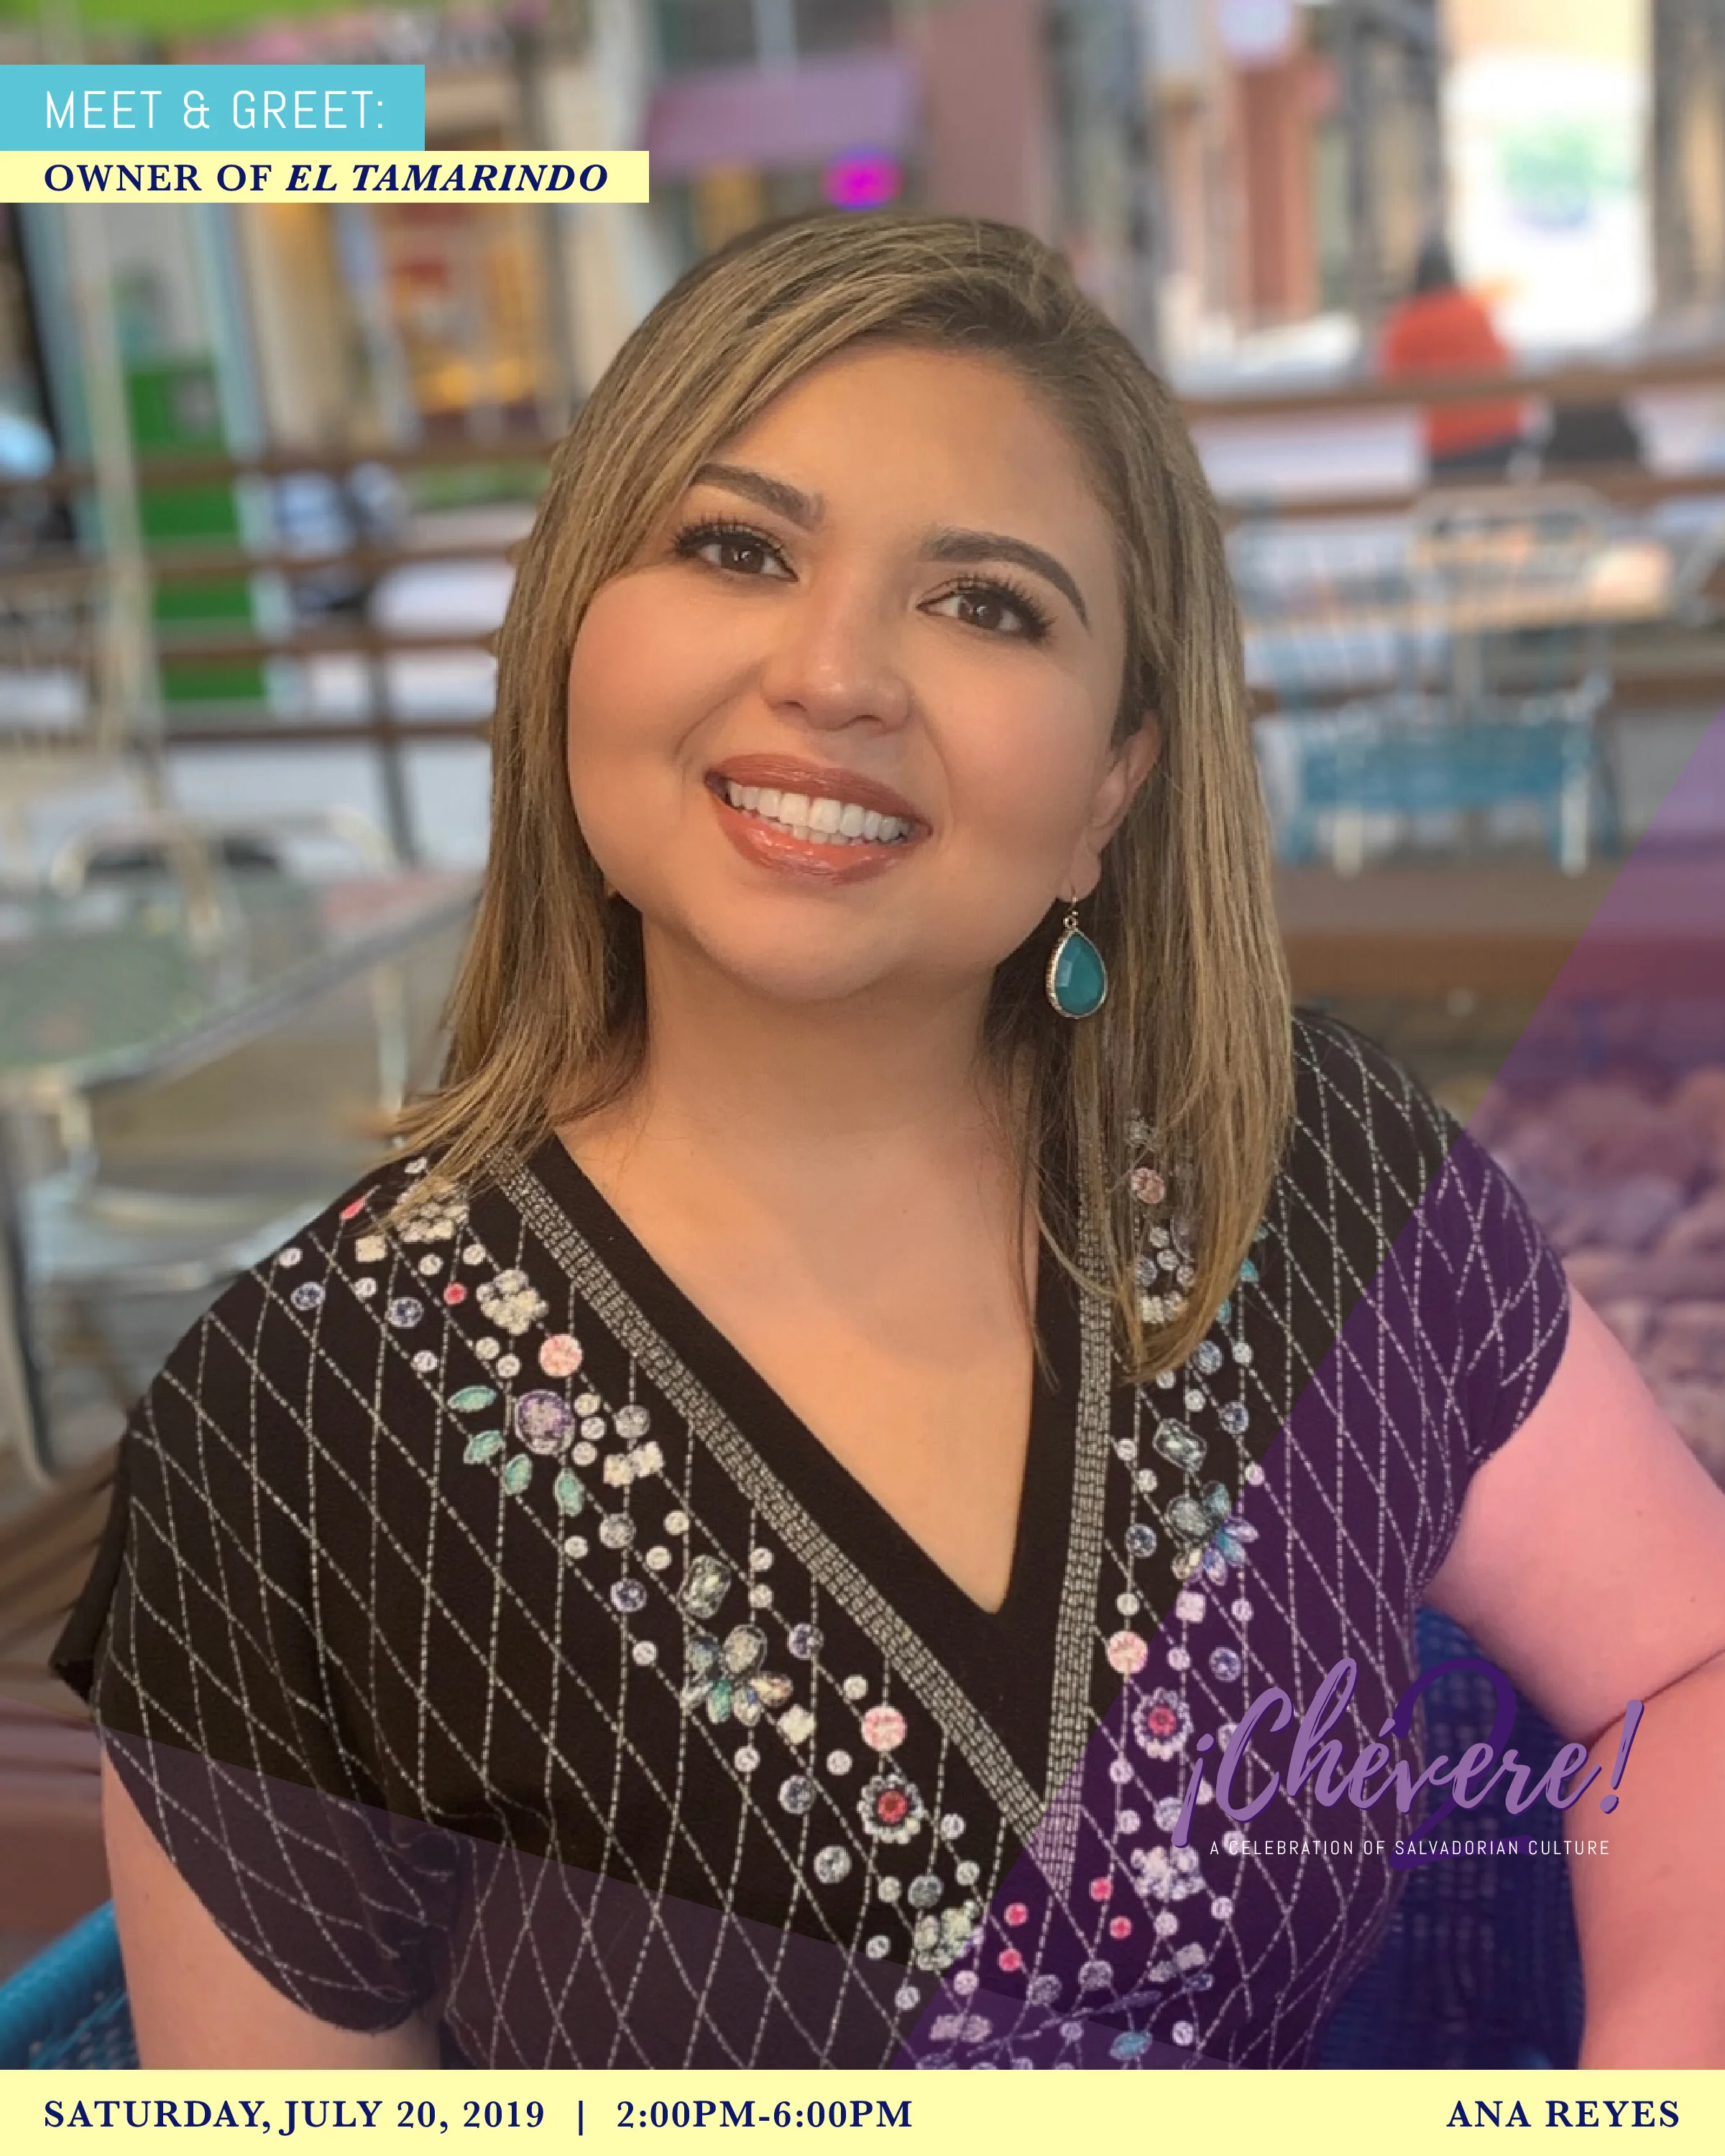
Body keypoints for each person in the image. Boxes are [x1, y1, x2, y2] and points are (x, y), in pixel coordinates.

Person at [55, 212, 1725, 2070]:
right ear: (572, 636)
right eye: (736, 548)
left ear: (1112, 783)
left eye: (986, 603)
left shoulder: (1303, 1168)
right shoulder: (291, 1435)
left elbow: (1685, 1653)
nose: (835, 671)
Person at [1379, 236, 1528, 482]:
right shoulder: (1475, 311)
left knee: (1451, 497)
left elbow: (1393, 379)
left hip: (1449, 438)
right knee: (1495, 493)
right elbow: (1505, 359)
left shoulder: (1408, 322)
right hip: (1502, 428)